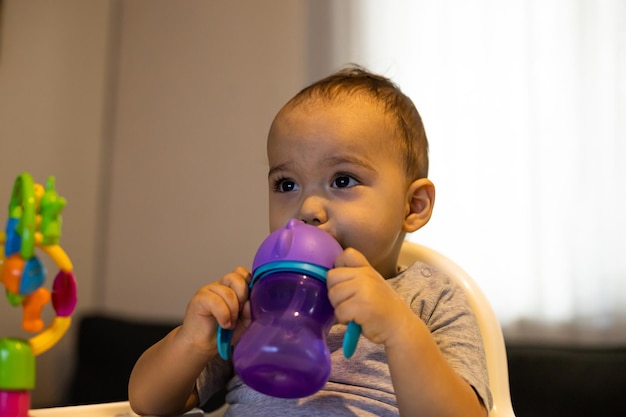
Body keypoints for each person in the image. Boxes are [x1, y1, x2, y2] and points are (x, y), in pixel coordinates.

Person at [129, 65, 492, 417]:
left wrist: (399, 330)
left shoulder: (430, 299)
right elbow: (147, 403)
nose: (307, 208)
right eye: (287, 185)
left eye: (343, 180)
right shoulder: (259, 300)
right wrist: (193, 341)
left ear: (413, 206)